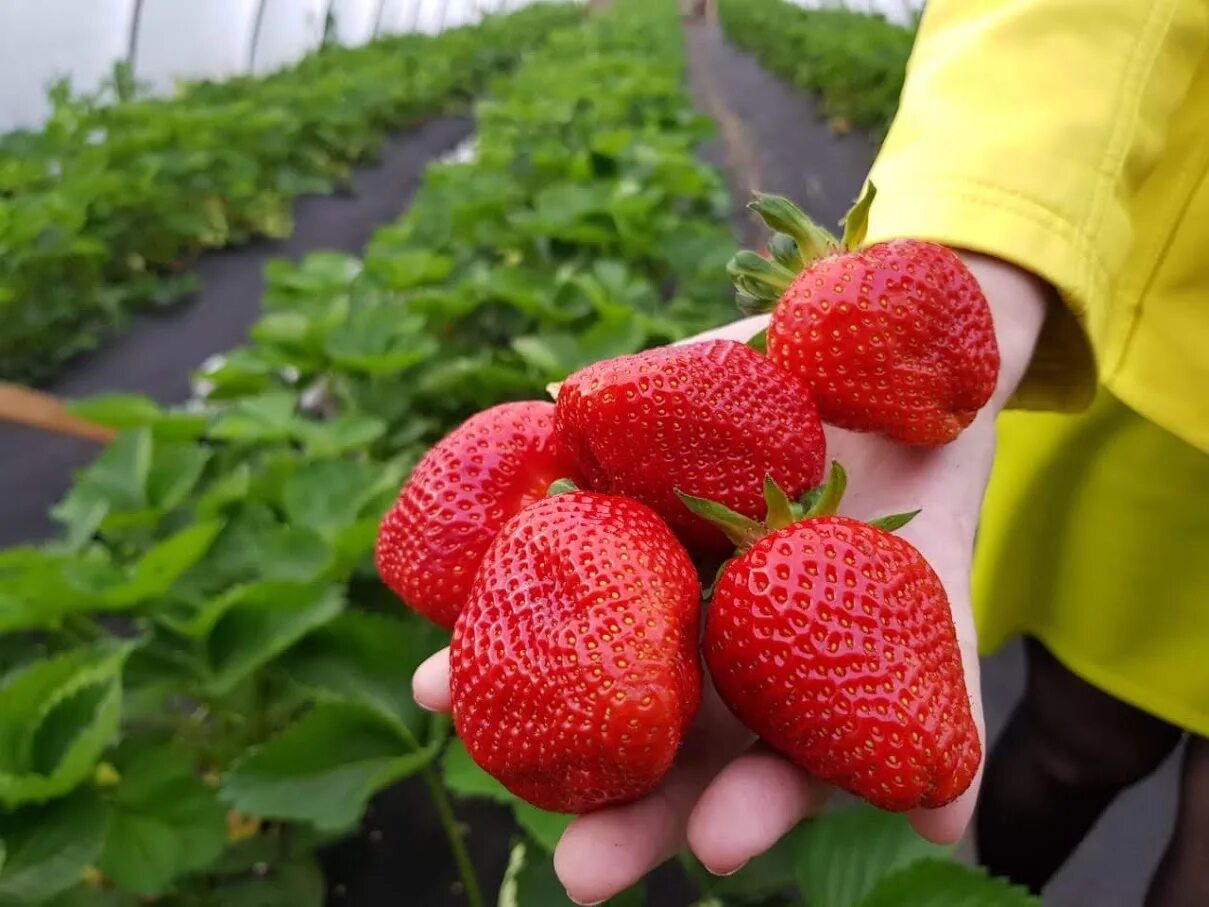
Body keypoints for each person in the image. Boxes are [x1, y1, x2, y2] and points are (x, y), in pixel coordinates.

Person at [412, 0, 1209, 903]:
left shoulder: (767, 574)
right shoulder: (746, 555)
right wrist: (993, 240)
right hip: (1152, 387)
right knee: (1078, 738)